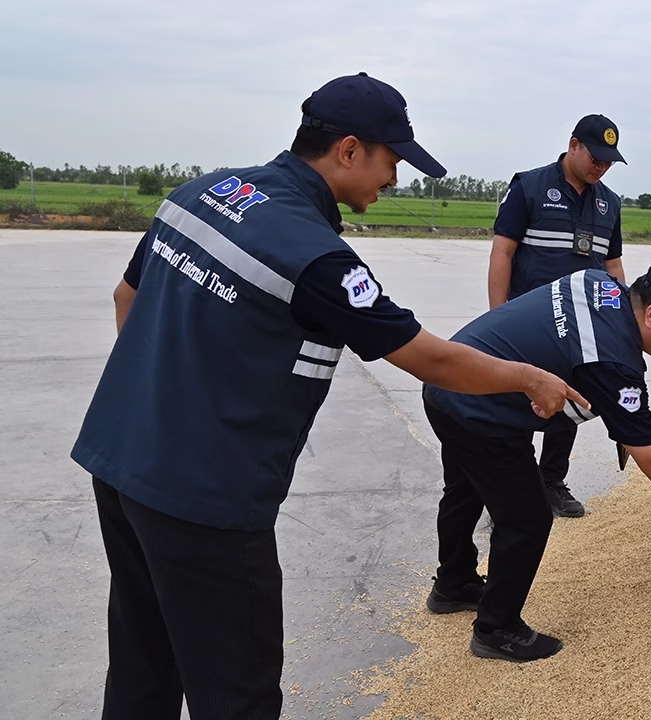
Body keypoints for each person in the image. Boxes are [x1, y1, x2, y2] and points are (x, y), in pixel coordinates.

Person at [70, 73, 587, 720]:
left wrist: (160, 405)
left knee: (144, 665)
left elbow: (127, 299)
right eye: (392, 160)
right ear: (348, 150)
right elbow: (427, 357)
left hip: (120, 466)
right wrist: (528, 376)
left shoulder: (205, 193)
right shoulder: (318, 258)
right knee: (237, 692)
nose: (395, 179)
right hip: (206, 500)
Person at [421, 258, 651, 663]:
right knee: (528, 518)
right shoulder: (612, 362)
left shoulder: (600, 284)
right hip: (479, 411)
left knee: (465, 489)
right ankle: (495, 629)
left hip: (450, 379)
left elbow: (580, 351)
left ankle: (453, 584)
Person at [486, 114, 627, 518]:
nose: (601, 166)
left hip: (581, 327)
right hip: (527, 326)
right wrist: (498, 317)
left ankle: (550, 482)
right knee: (516, 406)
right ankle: (508, 487)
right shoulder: (529, 187)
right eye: (595, 156)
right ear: (573, 145)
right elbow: (503, 254)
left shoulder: (609, 204)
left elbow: (613, 267)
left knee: (569, 406)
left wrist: (623, 325)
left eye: (609, 161)